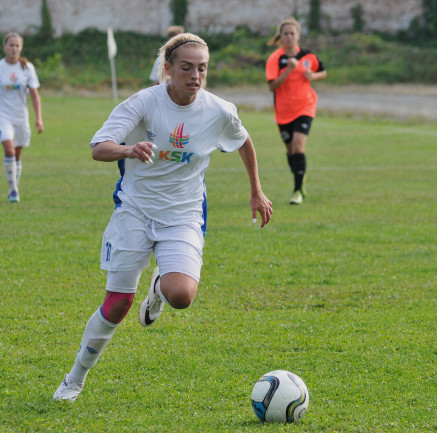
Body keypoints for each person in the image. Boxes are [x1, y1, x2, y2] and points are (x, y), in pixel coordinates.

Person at [53, 32, 273, 402]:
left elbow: (243, 140)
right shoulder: (144, 102)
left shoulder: (219, 110)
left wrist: (256, 190)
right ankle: (74, 379)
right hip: (135, 211)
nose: (195, 76)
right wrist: (129, 149)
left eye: (202, 68)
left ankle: (159, 288)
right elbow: (99, 147)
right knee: (118, 305)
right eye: (186, 68)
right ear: (167, 68)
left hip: (183, 215)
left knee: (181, 296)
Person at [0, 32, 44, 203]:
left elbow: (34, 95)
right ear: (4, 47)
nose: (14, 48)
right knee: (10, 151)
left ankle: (14, 187)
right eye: (11, 45)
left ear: (21, 48)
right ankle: (13, 190)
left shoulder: (28, 68)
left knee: (17, 154)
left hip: (21, 117)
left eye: (17, 45)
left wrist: (39, 118)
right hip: (2, 116)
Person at [265, 17, 326, 205]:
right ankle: (300, 177)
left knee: (299, 147)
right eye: (285, 34)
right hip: (283, 112)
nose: (289, 37)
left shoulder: (308, 56)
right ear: (280, 37)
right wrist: (288, 70)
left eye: (292, 33)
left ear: (298, 35)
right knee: (291, 151)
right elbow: (272, 86)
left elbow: (323, 72)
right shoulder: (275, 59)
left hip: (305, 107)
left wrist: (313, 76)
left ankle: (297, 190)